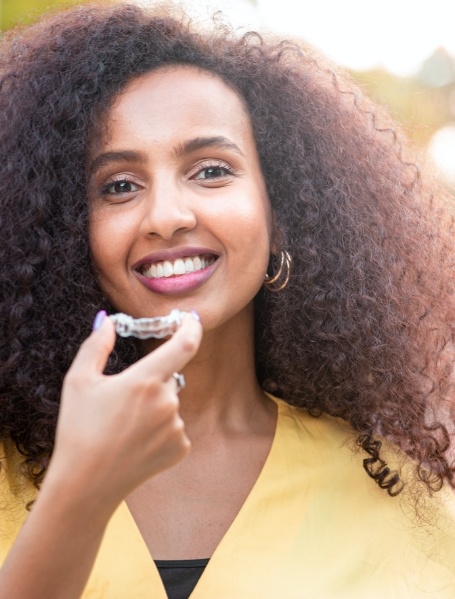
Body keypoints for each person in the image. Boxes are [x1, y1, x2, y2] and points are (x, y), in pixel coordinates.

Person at [1, 2, 455, 597]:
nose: (166, 216)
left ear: (282, 210)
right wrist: (75, 498)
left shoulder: (406, 499)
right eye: (118, 186)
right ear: (62, 232)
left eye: (211, 170)